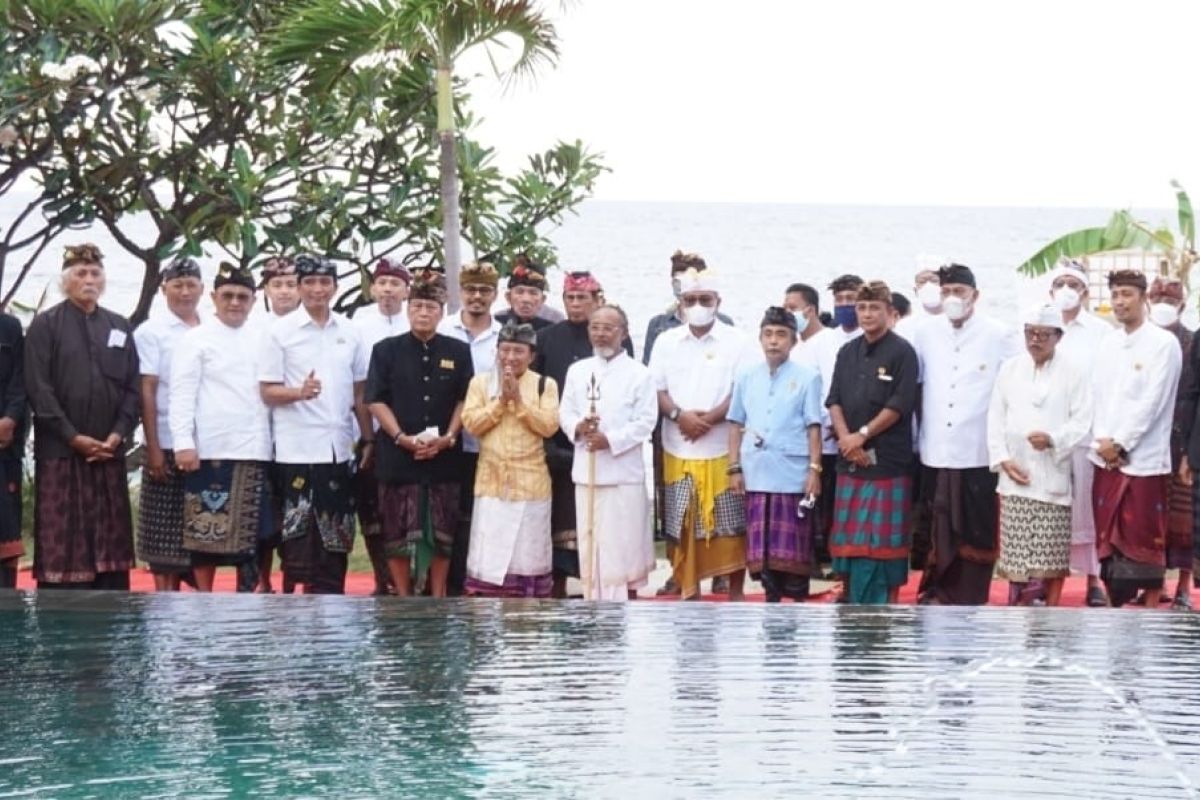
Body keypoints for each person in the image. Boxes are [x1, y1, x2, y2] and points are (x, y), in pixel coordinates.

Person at [25, 243, 139, 589]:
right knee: (64, 550)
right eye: (81, 273)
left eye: (95, 273)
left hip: (108, 452)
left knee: (111, 555)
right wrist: (73, 437)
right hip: (62, 453)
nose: (89, 279)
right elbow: (38, 389)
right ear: (65, 281)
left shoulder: (118, 325)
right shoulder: (45, 326)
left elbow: (133, 387)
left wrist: (118, 433)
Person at [258, 253, 372, 594]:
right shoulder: (279, 332)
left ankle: (332, 599)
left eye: (325, 282)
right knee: (297, 535)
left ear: (335, 287)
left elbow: (360, 391)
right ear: (299, 287)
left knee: (336, 535)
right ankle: (296, 606)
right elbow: (267, 391)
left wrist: (369, 440)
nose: (317, 289)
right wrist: (299, 392)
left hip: (338, 449)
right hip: (295, 448)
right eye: (309, 282)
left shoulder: (350, 331)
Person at [912, 263, 1018, 605]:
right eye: (946, 292)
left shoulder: (998, 333)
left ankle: (970, 593)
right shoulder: (925, 332)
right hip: (936, 446)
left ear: (975, 295)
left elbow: (1012, 388)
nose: (952, 298)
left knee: (975, 522)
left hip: (978, 447)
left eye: (959, 292)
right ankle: (935, 588)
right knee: (938, 520)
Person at [649, 268, 754, 600]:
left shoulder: (738, 341)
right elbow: (656, 389)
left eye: (704, 300)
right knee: (682, 525)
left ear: (717, 302)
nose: (697, 305)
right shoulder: (666, 341)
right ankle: (688, 590)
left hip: (723, 447)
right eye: (691, 300)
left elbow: (741, 389)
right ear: (680, 304)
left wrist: (706, 419)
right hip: (677, 446)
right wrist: (681, 416)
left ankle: (735, 594)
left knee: (730, 525)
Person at [367, 270, 472, 597]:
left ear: (441, 313)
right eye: (417, 307)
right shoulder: (386, 350)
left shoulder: (457, 350)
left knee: (442, 529)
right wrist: (400, 437)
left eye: (431, 307)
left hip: (444, 455)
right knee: (397, 530)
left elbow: (464, 398)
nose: (424, 313)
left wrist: (450, 436)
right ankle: (402, 594)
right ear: (408, 309)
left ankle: (438, 592)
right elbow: (375, 399)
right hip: (398, 455)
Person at [169, 264, 273, 591]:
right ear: (213, 297)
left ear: (254, 301)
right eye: (227, 295)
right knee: (205, 530)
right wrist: (183, 442)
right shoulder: (195, 339)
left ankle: (250, 594)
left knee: (257, 532)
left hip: (256, 447)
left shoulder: (264, 337)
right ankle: (204, 597)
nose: (234, 302)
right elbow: (181, 394)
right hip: (211, 445)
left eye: (243, 296)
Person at [535, 270, 634, 597]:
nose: (576, 304)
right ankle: (559, 589)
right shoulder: (548, 337)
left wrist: (608, 433)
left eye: (582, 298)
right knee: (559, 521)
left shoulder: (618, 340)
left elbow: (626, 388)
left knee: (605, 522)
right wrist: (561, 431)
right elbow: (540, 390)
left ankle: (609, 585)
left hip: (604, 444)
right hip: (561, 438)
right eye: (570, 298)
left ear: (597, 300)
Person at [987, 305, 1093, 607]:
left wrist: (1053, 439)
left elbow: (1082, 420)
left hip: (1052, 475)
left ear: (1058, 337)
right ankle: (1019, 616)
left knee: (1049, 555)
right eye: (1030, 333)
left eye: (1043, 334)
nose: (1035, 340)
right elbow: (995, 417)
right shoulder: (1010, 369)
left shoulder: (1074, 371)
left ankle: (1050, 614)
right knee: (1017, 557)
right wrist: (1003, 459)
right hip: (1015, 474)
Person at [1089, 270, 1182, 607]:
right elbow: (1097, 396)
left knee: (1144, 538)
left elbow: (1153, 402)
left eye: (1127, 294)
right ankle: (1115, 610)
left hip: (1143, 461)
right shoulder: (1109, 342)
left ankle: (1151, 609)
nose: (1119, 302)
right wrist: (1104, 442)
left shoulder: (1163, 344)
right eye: (1114, 295)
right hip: (1105, 457)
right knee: (1108, 543)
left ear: (1143, 298)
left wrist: (1123, 443)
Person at [826, 282, 919, 604]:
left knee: (882, 542)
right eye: (862, 308)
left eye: (874, 308)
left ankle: (886, 604)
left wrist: (862, 435)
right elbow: (834, 400)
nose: (867, 314)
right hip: (850, 458)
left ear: (890, 313)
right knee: (849, 539)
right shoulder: (847, 351)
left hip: (888, 462)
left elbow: (899, 404)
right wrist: (847, 441)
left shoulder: (903, 352)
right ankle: (849, 596)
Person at [559, 305, 657, 600]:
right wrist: (579, 427)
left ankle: (625, 603)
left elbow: (646, 421)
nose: (600, 334)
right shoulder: (578, 370)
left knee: (624, 544)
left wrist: (610, 440)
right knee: (591, 542)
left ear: (623, 333)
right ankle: (593, 600)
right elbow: (565, 411)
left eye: (608, 328)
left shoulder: (639, 374)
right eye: (595, 327)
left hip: (622, 472)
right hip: (587, 470)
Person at [728, 306, 823, 602]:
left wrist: (815, 470)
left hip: (791, 473)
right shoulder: (746, 376)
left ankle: (794, 605)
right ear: (759, 339)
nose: (773, 341)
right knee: (762, 553)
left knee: (792, 552)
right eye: (768, 334)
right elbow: (735, 423)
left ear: (793, 341)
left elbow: (813, 427)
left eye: (781, 335)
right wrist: (734, 467)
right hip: (756, 470)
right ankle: (770, 600)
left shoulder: (808, 377)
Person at [461, 321, 560, 597]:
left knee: (527, 553)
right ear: (496, 351)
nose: (511, 357)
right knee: (490, 553)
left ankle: (527, 615)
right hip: (492, 481)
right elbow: (471, 424)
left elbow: (549, 425)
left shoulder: (544, 385)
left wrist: (519, 403)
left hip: (531, 481)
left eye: (519, 351)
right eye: (505, 350)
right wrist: (500, 403)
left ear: (531, 356)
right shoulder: (480, 383)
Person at [132, 256, 204, 591]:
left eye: (191, 285)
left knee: (204, 529)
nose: (185, 292)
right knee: (163, 533)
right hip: (165, 438)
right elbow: (147, 389)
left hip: (206, 441)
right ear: (164, 289)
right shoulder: (151, 332)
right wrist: (154, 448)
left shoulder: (212, 327)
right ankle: (164, 603)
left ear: (203, 289)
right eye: (178, 285)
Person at [1048, 258, 1113, 607]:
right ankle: (1047, 578)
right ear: (1050, 291)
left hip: (1086, 434)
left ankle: (1093, 580)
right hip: (1049, 436)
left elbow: (1104, 384)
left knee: (1088, 509)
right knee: (1052, 508)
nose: (1067, 292)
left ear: (1086, 293)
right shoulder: (1041, 327)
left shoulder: (1101, 332)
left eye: (1074, 285)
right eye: (1061, 284)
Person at [437, 260, 503, 595]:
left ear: (495, 293)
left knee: (485, 515)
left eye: (484, 290)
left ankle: (482, 582)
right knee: (451, 515)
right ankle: (448, 584)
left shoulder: (504, 334)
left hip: (491, 441)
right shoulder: (443, 328)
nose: (477, 296)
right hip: (449, 439)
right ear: (459, 292)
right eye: (470, 289)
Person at [793, 274, 864, 570]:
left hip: (854, 435)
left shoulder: (868, 338)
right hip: (823, 435)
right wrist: (828, 421)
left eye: (851, 300)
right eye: (840, 300)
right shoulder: (824, 340)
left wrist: (847, 427)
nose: (845, 305)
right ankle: (819, 556)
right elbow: (820, 387)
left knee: (847, 503)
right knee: (821, 500)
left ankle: (845, 558)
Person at [352, 257, 414, 595]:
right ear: (373, 288)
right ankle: (382, 578)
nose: (388, 290)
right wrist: (367, 438)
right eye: (382, 283)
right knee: (373, 512)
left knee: (409, 511)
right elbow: (358, 387)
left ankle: (409, 583)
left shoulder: (418, 319)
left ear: (406, 290)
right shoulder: (358, 324)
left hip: (412, 431)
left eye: (395, 284)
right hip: (370, 431)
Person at [1145, 276, 1195, 609]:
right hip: (1148, 441)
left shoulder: (1192, 341)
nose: (1163, 302)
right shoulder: (1141, 342)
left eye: (1170, 298)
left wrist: (1191, 451)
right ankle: (1152, 581)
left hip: (1183, 441)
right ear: (1148, 301)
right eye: (1158, 296)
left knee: (1185, 520)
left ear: (1183, 305)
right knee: (1149, 516)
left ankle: (1184, 587)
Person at [254, 254, 299, 592]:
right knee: (262, 518)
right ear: (266, 290)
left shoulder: (310, 326)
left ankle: (292, 581)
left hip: (299, 436)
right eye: (277, 285)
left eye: (290, 284)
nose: (284, 292)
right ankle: (261, 581)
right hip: (258, 435)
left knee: (295, 515)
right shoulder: (254, 329)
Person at [0, 309, 25, 589]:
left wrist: (10, 419)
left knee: (6, 539)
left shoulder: (9, 326)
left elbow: (20, 382)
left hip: (5, 446)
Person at [494, 255, 558, 331]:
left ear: (542, 299)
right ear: (508, 297)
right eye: (519, 292)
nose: (526, 299)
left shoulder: (553, 326)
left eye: (533, 293)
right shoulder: (495, 324)